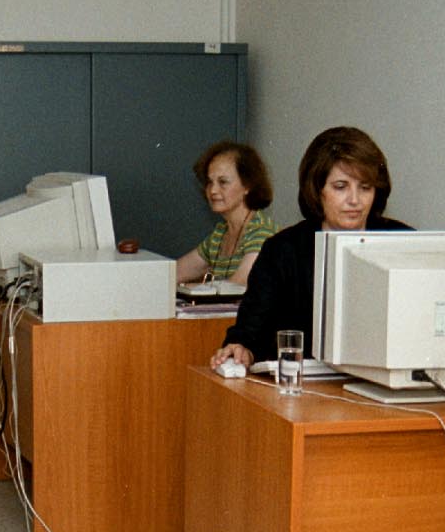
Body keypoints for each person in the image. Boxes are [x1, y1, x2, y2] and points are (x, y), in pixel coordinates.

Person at [212, 127, 410, 368]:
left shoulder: (404, 243)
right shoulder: (283, 250)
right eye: (340, 187)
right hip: (306, 387)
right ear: (318, 190)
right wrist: (241, 349)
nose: (354, 200)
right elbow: (249, 330)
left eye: (365, 187)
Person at [174, 142, 278, 287]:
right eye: (210, 182)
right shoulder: (220, 233)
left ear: (247, 185)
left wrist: (192, 288)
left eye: (223, 182)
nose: (213, 190)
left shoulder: (262, 232)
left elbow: (237, 286)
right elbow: (174, 273)